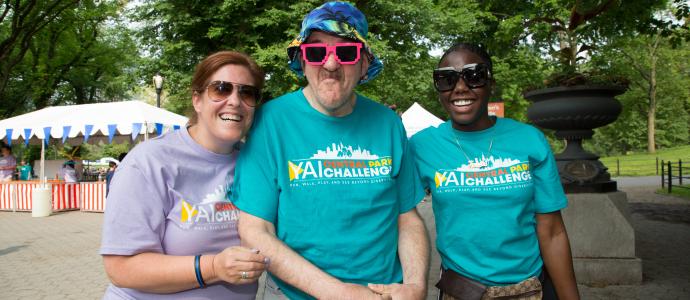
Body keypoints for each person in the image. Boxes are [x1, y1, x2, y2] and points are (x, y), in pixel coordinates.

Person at [233, 2, 429, 299]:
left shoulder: (388, 122)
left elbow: (408, 217)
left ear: (364, 64)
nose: (331, 65)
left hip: (384, 292)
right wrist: (338, 292)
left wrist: (415, 284)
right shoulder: (270, 122)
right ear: (303, 60)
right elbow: (255, 229)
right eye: (316, 51)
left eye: (346, 52)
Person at [410, 42, 580, 300]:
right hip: (463, 292)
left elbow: (553, 231)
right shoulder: (421, 146)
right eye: (446, 79)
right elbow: (396, 215)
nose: (460, 87)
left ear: (491, 82)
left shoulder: (529, 139)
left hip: (531, 290)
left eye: (473, 76)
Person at [100, 51, 269, 299]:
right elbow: (121, 268)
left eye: (247, 92)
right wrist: (213, 268)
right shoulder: (149, 163)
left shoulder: (257, 164)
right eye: (221, 89)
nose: (234, 101)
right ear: (197, 100)